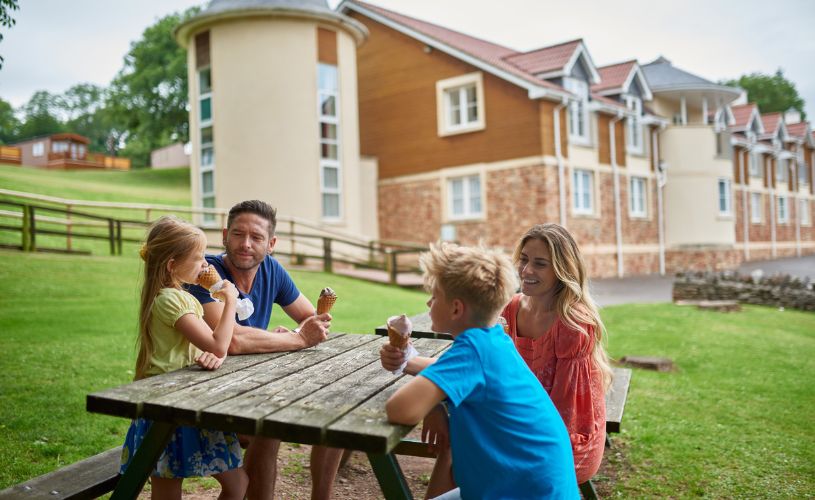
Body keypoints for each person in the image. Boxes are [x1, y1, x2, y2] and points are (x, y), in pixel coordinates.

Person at [381, 242, 579, 499]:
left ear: (456, 308)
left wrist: (433, 404)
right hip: (535, 486)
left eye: (435, 295)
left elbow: (399, 409)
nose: (429, 302)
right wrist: (430, 394)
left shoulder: (472, 350)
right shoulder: (494, 340)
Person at [185, 200, 340, 500]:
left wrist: (298, 332)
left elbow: (312, 318)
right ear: (224, 235)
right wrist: (296, 339)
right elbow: (230, 341)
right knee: (270, 426)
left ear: (271, 244)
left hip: (250, 386)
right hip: (198, 393)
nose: (245, 244)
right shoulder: (204, 274)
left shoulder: (271, 269)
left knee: (334, 408)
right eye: (238, 234)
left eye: (256, 237)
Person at [121, 215, 247, 499]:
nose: (205, 264)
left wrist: (212, 355)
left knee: (238, 483)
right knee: (168, 491)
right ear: (171, 265)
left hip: (188, 398)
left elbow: (212, 349)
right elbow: (219, 343)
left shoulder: (180, 297)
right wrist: (230, 301)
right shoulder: (171, 300)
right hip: (166, 406)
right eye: (198, 257)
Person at [501, 223, 613, 484]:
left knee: (479, 460)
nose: (526, 270)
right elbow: (488, 367)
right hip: (526, 423)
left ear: (562, 271)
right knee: (461, 446)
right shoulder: (511, 309)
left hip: (567, 441)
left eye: (540, 264)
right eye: (524, 259)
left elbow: (566, 415)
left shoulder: (572, 323)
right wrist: (410, 360)